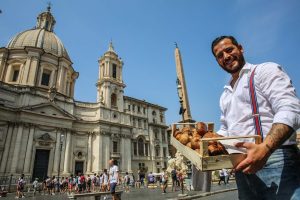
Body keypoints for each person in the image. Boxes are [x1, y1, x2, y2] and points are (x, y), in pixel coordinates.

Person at [211, 35, 300, 199]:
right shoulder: (225, 94)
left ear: (240, 48)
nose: (226, 56)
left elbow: (290, 109)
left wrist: (265, 149)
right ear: (217, 62)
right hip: (241, 167)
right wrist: (207, 143)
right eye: (220, 55)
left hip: (275, 159)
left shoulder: (265, 70)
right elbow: (226, 129)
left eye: (229, 49)